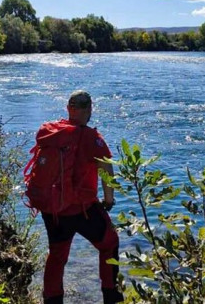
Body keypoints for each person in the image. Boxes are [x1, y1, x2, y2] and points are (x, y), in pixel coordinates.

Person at [38, 90, 123, 304]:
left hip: (52, 208)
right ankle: (111, 295)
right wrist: (109, 200)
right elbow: (106, 170)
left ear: (69, 109)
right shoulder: (91, 137)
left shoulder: (53, 133)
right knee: (110, 242)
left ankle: (52, 299)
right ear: (88, 109)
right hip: (81, 208)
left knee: (57, 255)